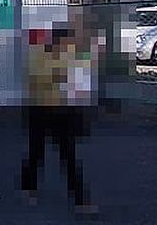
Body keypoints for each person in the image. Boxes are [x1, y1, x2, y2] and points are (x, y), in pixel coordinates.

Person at [21, 21, 101, 215]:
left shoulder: (66, 55)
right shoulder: (41, 57)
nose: (70, 44)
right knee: (37, 152)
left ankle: (80, 200)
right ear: (58, 41)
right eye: (68, 41)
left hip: (60, 113)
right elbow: (49, 78)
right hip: (41, 110)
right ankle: (29, 188)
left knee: (67, 156)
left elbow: (81, 74)